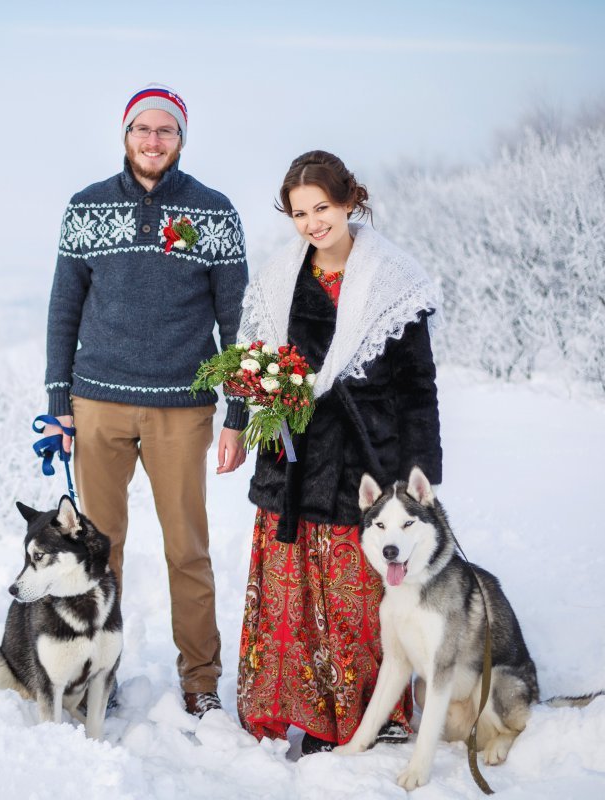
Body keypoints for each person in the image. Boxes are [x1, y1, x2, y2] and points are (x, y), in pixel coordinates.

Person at [42, 84, 249, 716]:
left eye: (165, 131)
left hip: (181, 408)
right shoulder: (87, 207)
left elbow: (236, 319)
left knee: (187, 548)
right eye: (142, 129)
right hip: (97, 401)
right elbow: (63, 309)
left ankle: (201, 683)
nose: (153, 140)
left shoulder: (213, 212)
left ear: (181, 139)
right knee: (96, 552)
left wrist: (237, 414)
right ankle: (89, 678)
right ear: (125, 134)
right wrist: (59, 402)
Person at [234, 150, 443, 754]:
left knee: (358, 597)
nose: (312, 223)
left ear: (350, 200)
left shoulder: (393, 281)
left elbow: (417, 386)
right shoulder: (279, 280)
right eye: (299, 213)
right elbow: (255, 363)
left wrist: (419, 472)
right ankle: (290, 711)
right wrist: (255, 405)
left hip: (366, 464)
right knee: (289, 593)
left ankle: (359, 720)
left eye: (322, 207)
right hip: (293, 462)